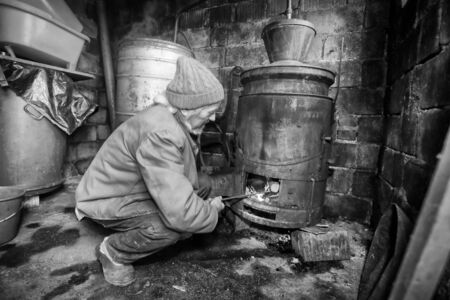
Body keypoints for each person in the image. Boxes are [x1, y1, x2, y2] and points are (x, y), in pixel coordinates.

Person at [74, 56, 225, 286]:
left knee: (201, 183)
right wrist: (211, 213)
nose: (213, 118)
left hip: (130, 187)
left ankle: (185, 221)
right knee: (168, 228)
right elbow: (181, 213)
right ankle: (112, 251)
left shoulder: (174, 119)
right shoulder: (161, 133)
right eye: (209, 112)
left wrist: (197, 209)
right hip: (105, 198)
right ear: (188, 109)